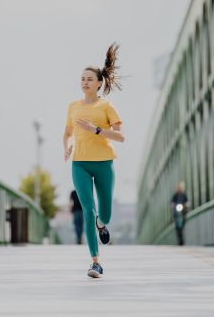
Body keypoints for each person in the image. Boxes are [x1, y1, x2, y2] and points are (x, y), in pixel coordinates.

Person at [63, 43, 127, 278]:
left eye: (89, 79)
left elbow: (120, 136)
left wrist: (97, 130)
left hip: (103, 164)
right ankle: (95, 262)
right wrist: (67, 148)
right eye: (82, 79)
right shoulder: (73, 107)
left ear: (99, 83)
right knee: (88, 211)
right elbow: (67, 134)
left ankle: (103, 225)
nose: (85, 82)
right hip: (79, 163)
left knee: (104, 214)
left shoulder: (107, 106)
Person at [170, 181, 189, 246]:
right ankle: (179, 239)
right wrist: (173, 204)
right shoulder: (175, 195)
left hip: (183, 211)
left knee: (183, 224)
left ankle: (182, 239)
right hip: (177, 212)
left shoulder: (184, 194)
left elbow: (187, 202)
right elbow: (171, 202)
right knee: (177, 226)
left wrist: (186, 204)